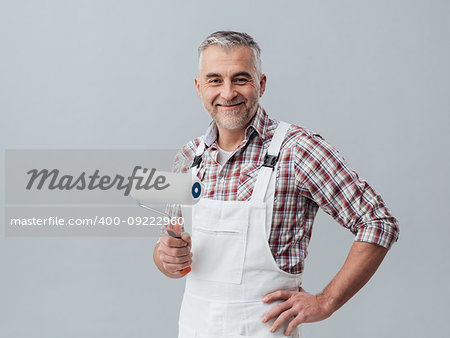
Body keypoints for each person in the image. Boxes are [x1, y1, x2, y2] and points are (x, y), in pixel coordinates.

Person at [153, 31, 399, 338]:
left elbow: (378, 222)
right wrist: (166, 258)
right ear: (198, 87)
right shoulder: (188, 157)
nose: (227, 93)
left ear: (261, 84)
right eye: (215, 80)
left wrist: (327, 301)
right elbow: (169, 249)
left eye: (240, 79)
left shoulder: (297, 150)